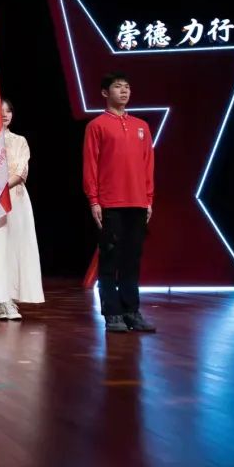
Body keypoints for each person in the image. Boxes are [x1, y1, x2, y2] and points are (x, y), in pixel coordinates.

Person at [84, 72, 156, 333]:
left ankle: (131, 311)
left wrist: (148, 199)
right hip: (110, 202)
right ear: (105, 93)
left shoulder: (141, 126)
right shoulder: (97, 126)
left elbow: (148, 165)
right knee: (110, 258)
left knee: (132, 259)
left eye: (127, 87)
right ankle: (112, 313)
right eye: (118, 87)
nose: (124, 91)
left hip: (137, 201)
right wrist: (94, 200)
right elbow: (90, 165)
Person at [0, 99, 45, 319]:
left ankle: (11, 299)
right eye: (0, 111)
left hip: (16, 200)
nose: (5, 114)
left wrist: (0, 188)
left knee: (16, 248)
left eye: (9, 111)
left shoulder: (19, 141)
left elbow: (21, 172)